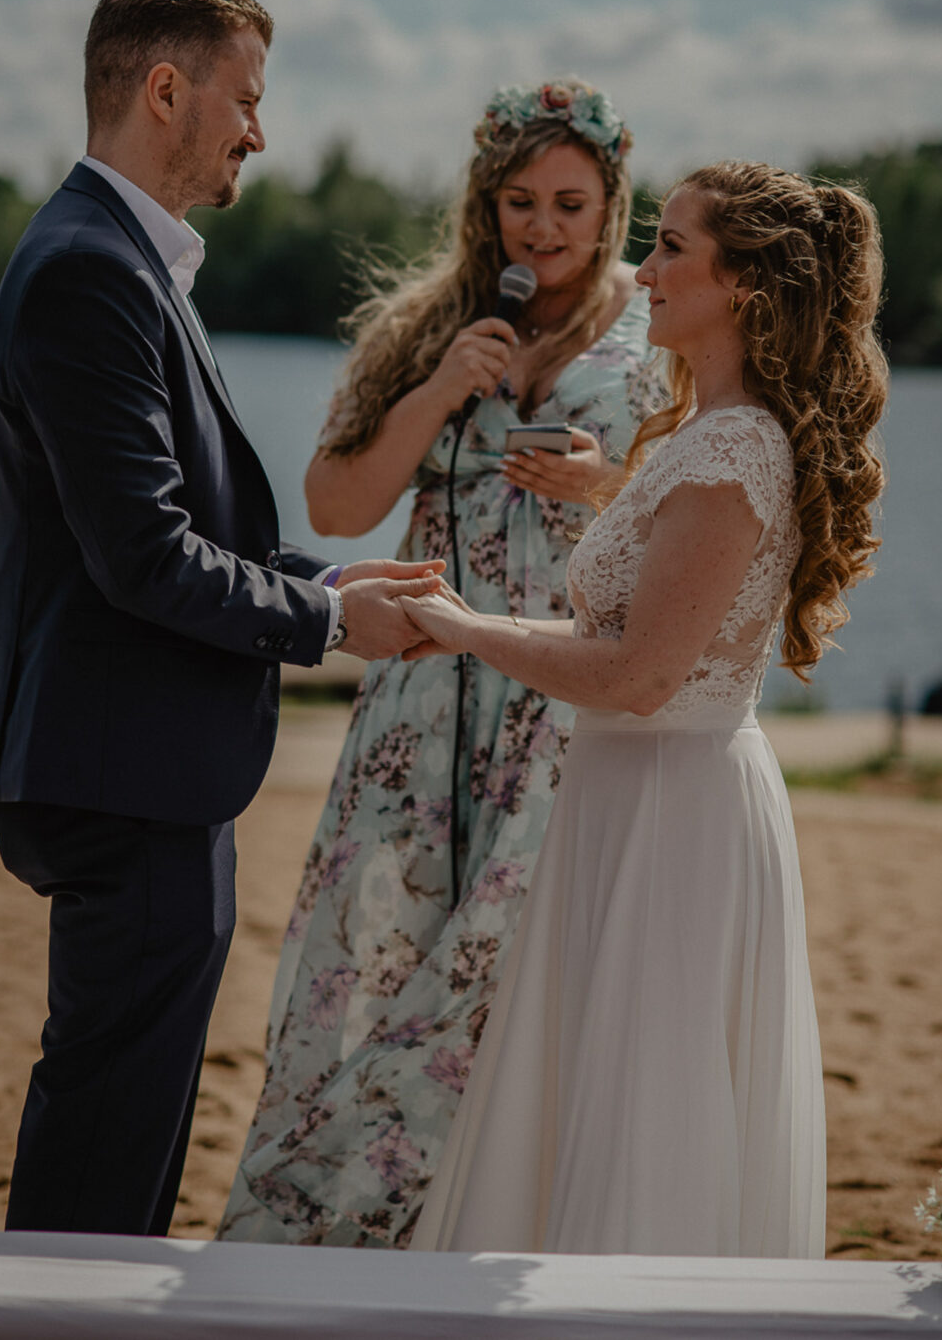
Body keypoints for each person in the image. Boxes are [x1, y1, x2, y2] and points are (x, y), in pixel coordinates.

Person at [0, 0, 443, 1237]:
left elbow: (185, 531)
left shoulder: (124, 257)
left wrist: (331, 578)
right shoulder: (91, 270)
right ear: (166, 89)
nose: (259, 131)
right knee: (107, 1136)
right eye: (245, 98)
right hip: (127, 776)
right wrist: (333, 625)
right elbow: (145, 555)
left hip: (142, 764)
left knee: (126, 1118)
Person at [406, 160, 889, 1256]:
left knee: (650, 1103)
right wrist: (494, 582)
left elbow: (638, 675)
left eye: (672, 245)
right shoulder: (698, 432)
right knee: (603, 1088)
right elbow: (645, 622)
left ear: (747, 286)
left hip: (675, 808)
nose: (646, 267)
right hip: (634, 791)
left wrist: (470, 629)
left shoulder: (733, 446)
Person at [219, 79, 662, 1246]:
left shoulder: (657, 337)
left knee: (520, 976)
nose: (543, 226)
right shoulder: (430, 320)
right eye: (520, 200)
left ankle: (494, 1221)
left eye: (571, 201)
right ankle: (350, 1228)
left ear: (613, 201)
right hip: (418, 702)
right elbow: (336, 499)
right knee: (376, 956)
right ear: (487, 202)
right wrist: (435, 389)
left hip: (562, 701)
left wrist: (606, 487)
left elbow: (701, 522)